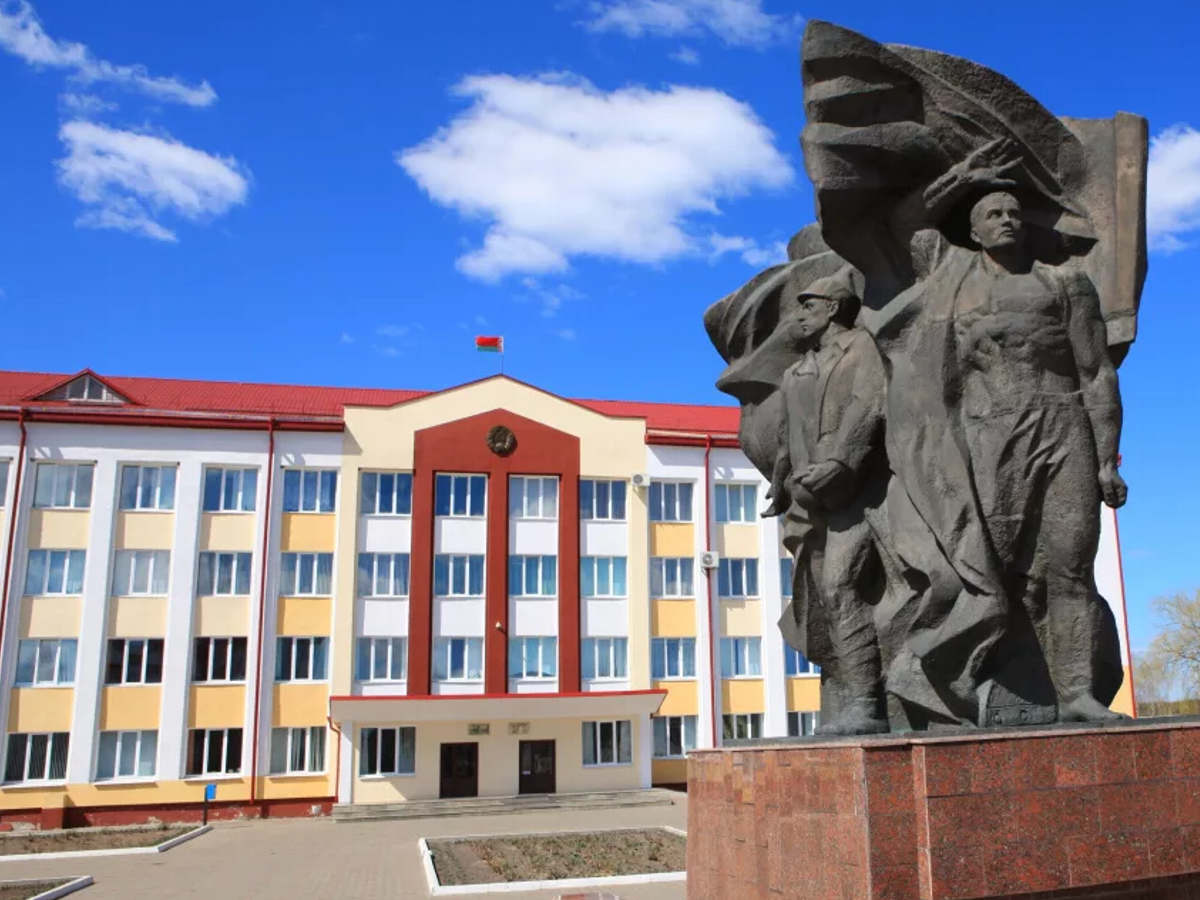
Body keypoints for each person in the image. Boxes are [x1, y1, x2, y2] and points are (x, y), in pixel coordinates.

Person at [875, 189, 1127, 723]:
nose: (1007, 220)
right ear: (973, 231)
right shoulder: (952, 287)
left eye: (1014, 212)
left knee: (1070, 565)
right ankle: (945, 680)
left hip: (1064, 429)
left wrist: (1107, 456)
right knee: (987, 566)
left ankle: (1076, 694)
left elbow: (1096, 371)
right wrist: (956, 180)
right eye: (994, 214)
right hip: (989, 436)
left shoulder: (1064, 283)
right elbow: (904, 227)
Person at [765, 268, 890, 735]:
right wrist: (780, 479)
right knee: (824, 597)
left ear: (833, 308)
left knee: (840, 586)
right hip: (809, 498)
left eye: (809, 306)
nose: (799, 316)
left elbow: (868, 404)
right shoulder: (796, 371)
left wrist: (842, 460)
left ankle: (868, 703)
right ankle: (851, 693)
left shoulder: (861, 347)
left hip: (861, 493)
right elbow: (788, 434)